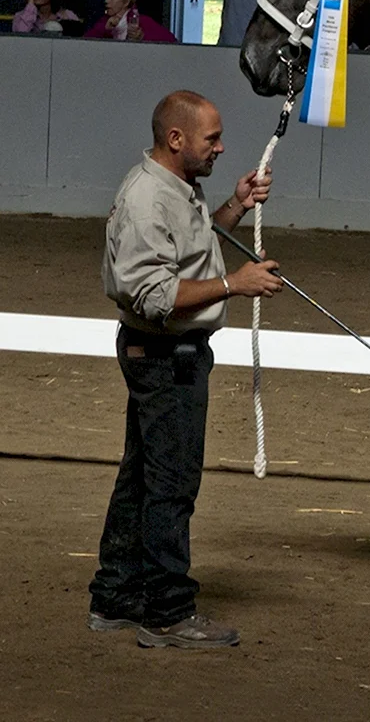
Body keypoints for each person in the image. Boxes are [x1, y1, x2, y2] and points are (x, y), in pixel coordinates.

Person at [88, 90, 283, 649]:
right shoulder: (148, 200)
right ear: (176, 140)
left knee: (142, 478)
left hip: (163, 355)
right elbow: (155, 294)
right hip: (164, 358)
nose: (221, 147)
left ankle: (116, 597)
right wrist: (234, 284)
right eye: (212, 138)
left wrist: (236, 206)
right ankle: (168, 612)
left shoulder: (174, 188)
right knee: (171, 486)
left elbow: (191, 251)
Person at [83, 0, 177, 43]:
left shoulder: (143, 22)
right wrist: (105, 30)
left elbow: (171, 42)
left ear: (126, 1)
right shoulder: (103, 21)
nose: (106, 1)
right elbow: (84, 43)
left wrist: (143, 38)